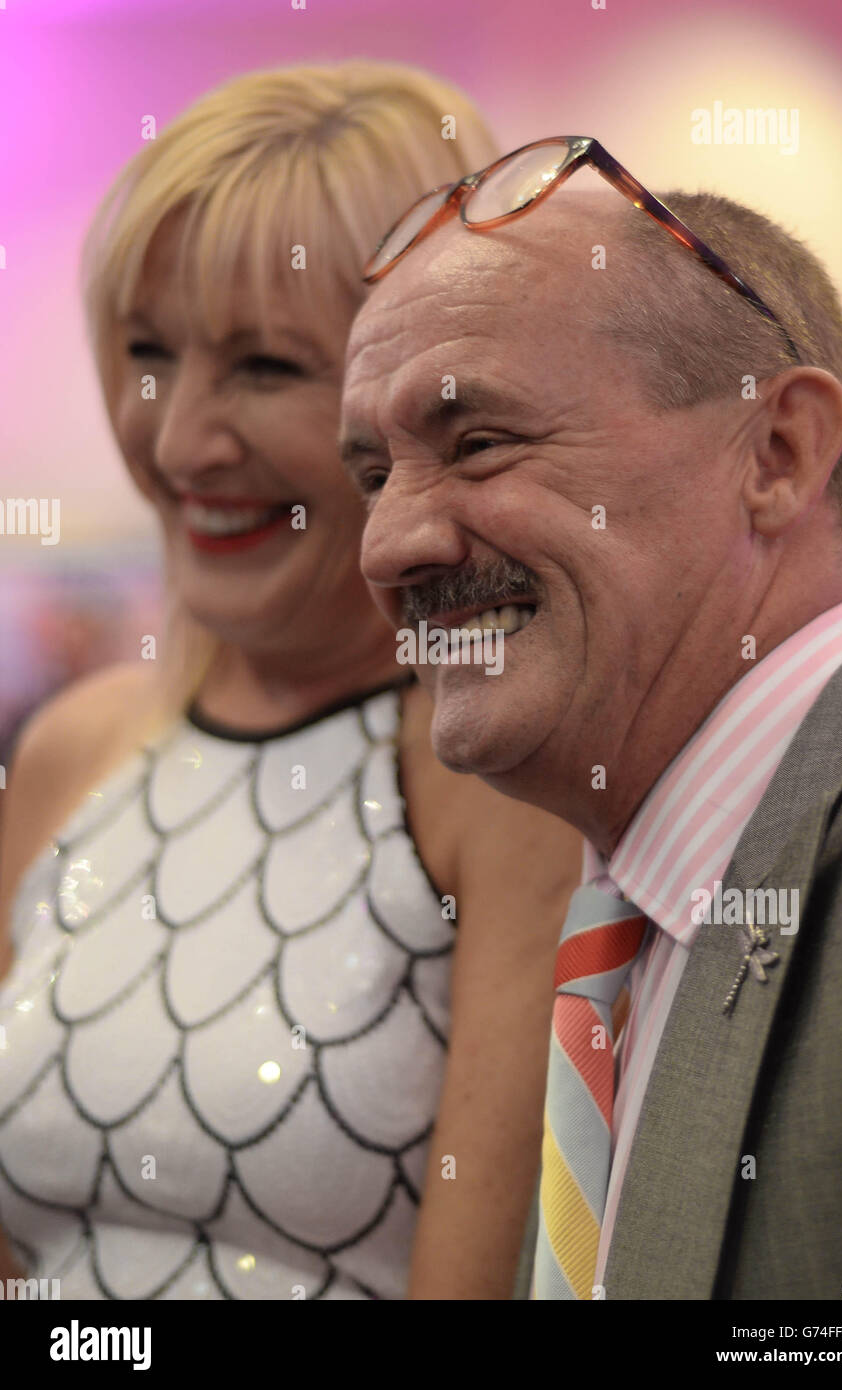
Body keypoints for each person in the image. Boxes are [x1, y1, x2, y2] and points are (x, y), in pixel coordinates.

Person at [0, 81, 582, 1301]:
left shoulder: (495, 778)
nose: (177, 444)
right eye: (149, 355)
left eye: (265, 366)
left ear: (433, 395)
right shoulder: (74, 752)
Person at [339, 135, 842, 1299]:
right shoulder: (632, 897)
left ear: (780, 451)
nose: (390, 545)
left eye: (478, 441)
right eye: (372, 475)